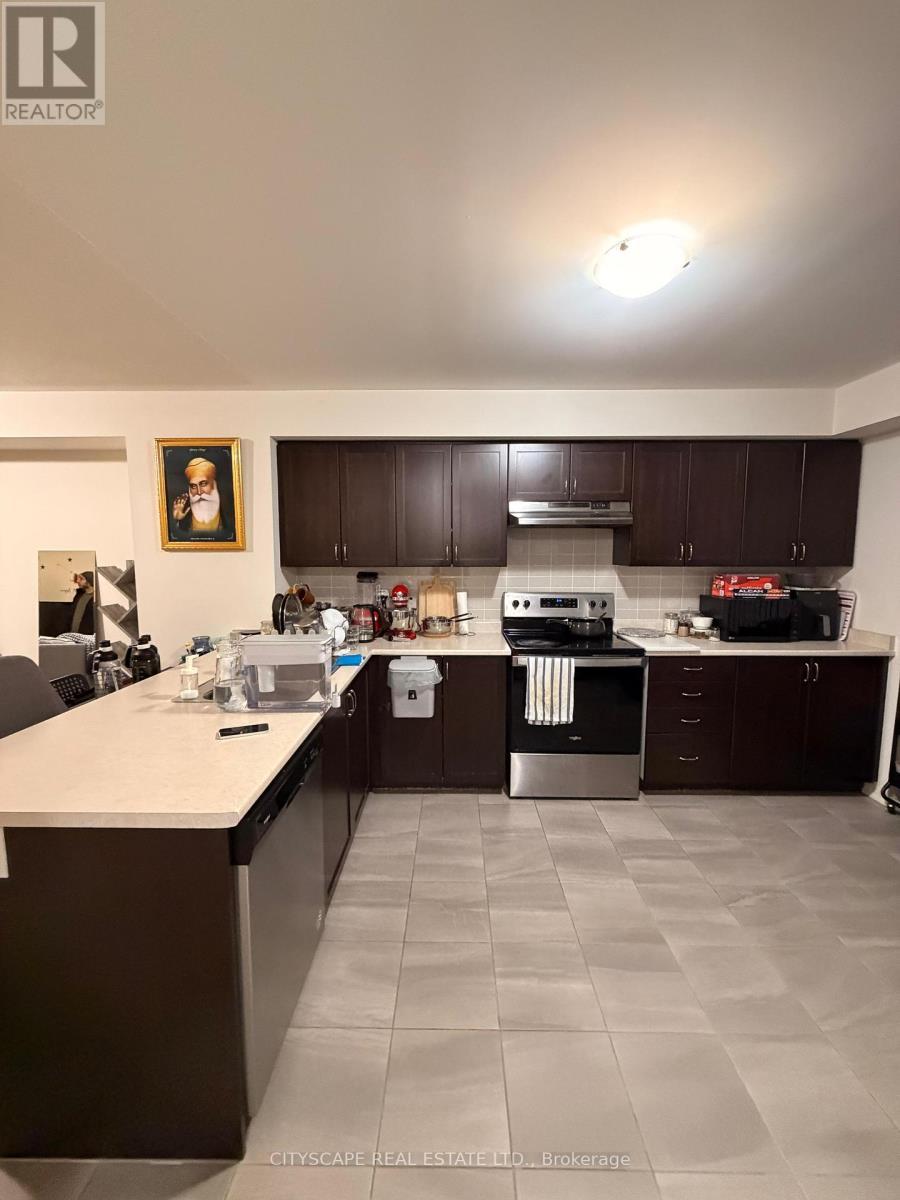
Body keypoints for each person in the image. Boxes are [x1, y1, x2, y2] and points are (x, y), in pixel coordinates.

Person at [171, 456, 234, 541]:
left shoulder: (230, 517)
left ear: (214, 484)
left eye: (203, 484)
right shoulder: (183, 518)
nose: (199, 492)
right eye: (193, 486)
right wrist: (178, 521)